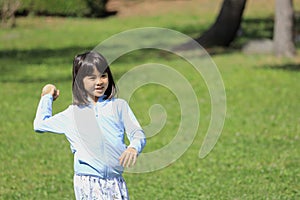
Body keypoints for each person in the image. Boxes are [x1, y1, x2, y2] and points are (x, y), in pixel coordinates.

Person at [33, 51, 146, 200]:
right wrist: (47, 96)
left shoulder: (119, 106)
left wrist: (133, 147)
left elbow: (137, 133)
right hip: (87, 182)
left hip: (115, 181)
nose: (99, 82)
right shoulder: (72, 113)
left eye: (103, 76)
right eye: (92, 78)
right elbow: (40, 124)